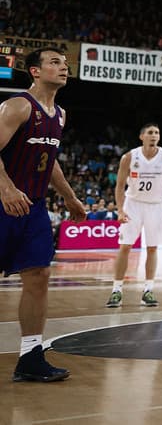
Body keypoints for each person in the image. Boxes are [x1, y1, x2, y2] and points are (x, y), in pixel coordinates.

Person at [1, 48, 86, 382]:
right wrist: (5, 188)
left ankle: (30, 357)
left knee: (39, 277)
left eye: (65, 64)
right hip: (3, 202)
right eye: (54, 62)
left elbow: (49, 161)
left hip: (33, 207)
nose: (63, 67)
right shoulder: (18, 106)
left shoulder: (60, 114)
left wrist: (70, 197)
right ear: (34, 71)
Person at [106, 122, 162, 308]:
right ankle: (116, 290)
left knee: (152, 248)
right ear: (142, 136)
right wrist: (121, 209)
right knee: (125, 246)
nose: (154, 135)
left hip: (157, 205)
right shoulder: (130, 157)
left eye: (157, 132)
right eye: (150, 132)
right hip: (133, 204)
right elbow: (120, 186)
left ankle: (148, 290)